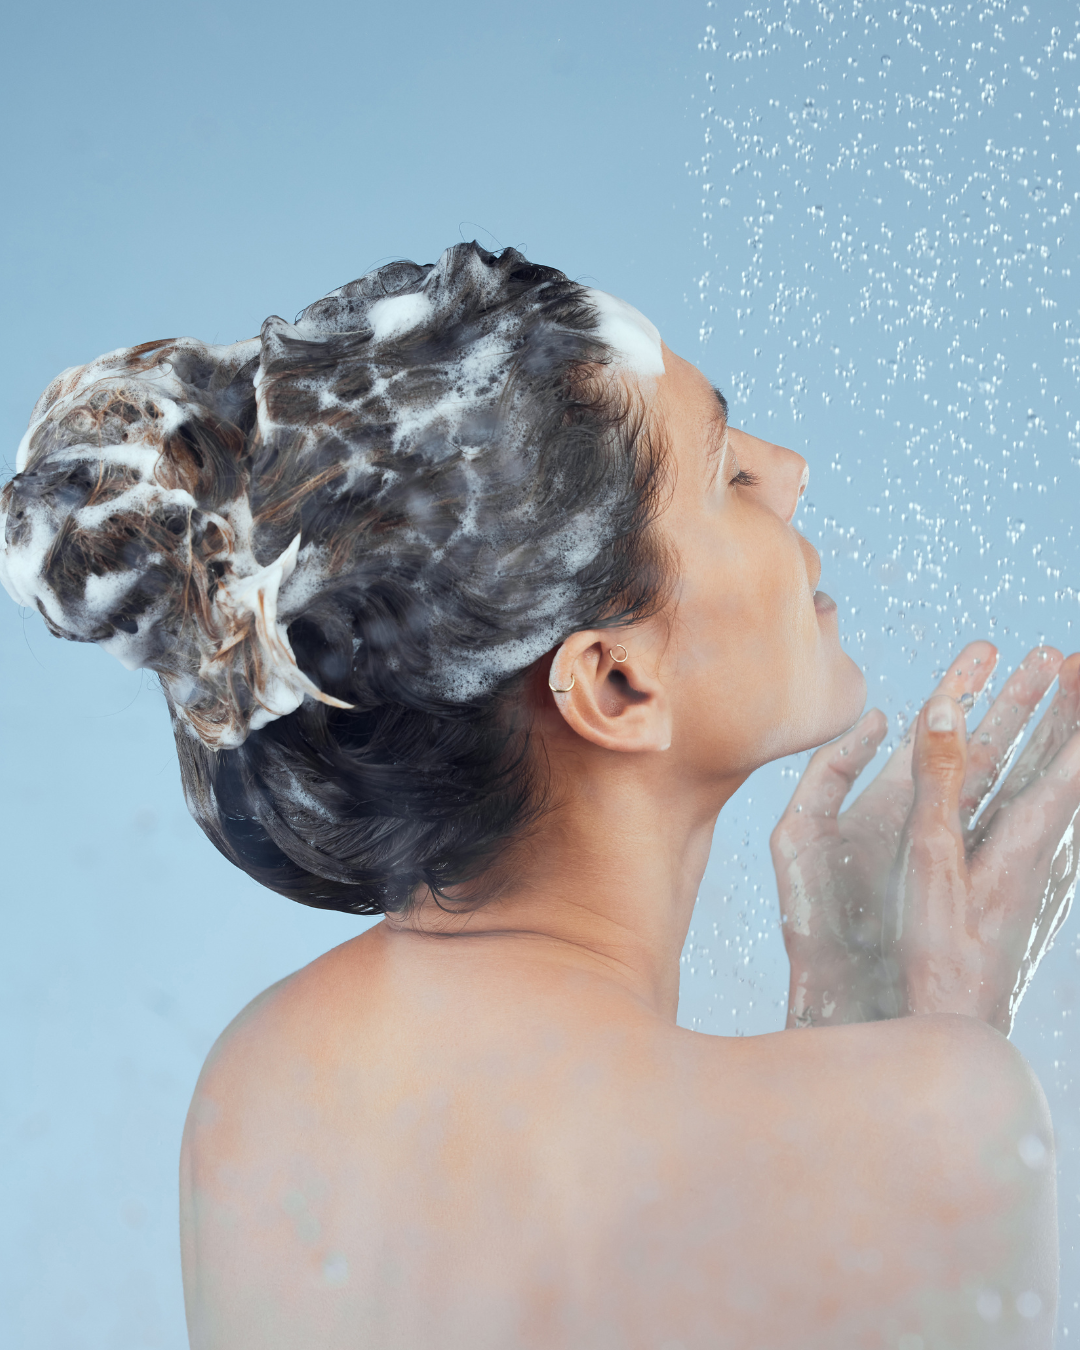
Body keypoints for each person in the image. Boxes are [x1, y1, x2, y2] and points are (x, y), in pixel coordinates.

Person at [2, 243, 1076, 1348]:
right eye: (726, 476)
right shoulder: (939, 1119)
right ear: (615, 683)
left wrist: (853, 1043)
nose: (791, 469)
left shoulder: (267, 1079)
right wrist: (938, 1064)